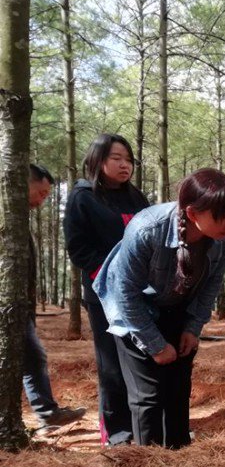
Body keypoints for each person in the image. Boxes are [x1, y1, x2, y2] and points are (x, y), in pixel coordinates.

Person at [93, 169, 225, 449]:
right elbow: (125, 293)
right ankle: (148, 465)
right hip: (132, 310)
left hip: (178, 305)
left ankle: (178, 455)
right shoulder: (147, 228)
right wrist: (155, 345)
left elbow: (212, 283)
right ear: (193, 213)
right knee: (147, 394)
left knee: (177, 388)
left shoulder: (223, 236)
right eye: (222, 215)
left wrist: (192, 327)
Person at [64, 134, 150, 446]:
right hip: (104, 294)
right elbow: (78, 249)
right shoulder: (82, 197)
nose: (125, 164)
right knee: (112, 362)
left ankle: (144, 425)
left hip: (141, 290)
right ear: (99, 160)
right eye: (117, 158)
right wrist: (110, 276)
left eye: (128, 159)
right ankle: (117, 434)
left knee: (141, 355)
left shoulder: (135, 197)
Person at [24, 164, 86, 428]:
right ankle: (46, 414)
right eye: (42, 192)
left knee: (31, 357)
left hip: (20, 307)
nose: (43, 200)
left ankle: (47, 414)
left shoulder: (16, 219)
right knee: (31, 355)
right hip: (7, 307)